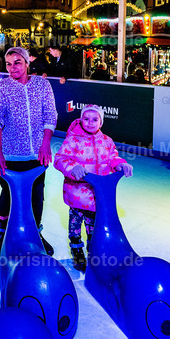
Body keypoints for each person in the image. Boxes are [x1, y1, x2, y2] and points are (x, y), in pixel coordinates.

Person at [0, 47, 57, 257]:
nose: (12, 68)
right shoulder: (2, 87)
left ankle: (36, 234)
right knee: (8, 195)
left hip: (37, 155)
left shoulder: (42, 85)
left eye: (17, 62)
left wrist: (45, 145)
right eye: (8, 64)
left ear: (27, 63)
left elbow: (50, 116)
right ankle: (0, 233)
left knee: (37, 195)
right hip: (10, 154)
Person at [54, 105, 133, 271]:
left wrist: (121, 165)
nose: (90, 123)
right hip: (76, 195)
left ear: (101, 122)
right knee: (75, 226)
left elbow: (113, 158)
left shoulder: (107, 141)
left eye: (95, 119)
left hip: (97, 196)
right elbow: (60, 159)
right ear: (81, 120)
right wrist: (72, 168)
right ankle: (77, 251)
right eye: (86, 119)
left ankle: (94, 252)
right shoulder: (72, 140)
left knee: (94, 227)